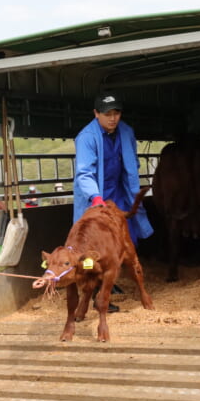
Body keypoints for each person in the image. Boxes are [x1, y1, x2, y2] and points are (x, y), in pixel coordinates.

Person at [74, 92, 154, 309]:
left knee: (126, 239)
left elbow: (132, 164)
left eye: (116, 113)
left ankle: (111, 281)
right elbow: (84, 173)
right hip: (95, 196)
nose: (112, 118)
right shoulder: (86, 137)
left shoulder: (126, 132)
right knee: (95, 244)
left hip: (118, 193)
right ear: (96, 114)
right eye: (107, 114)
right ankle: (97, 293)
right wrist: (96, 197)